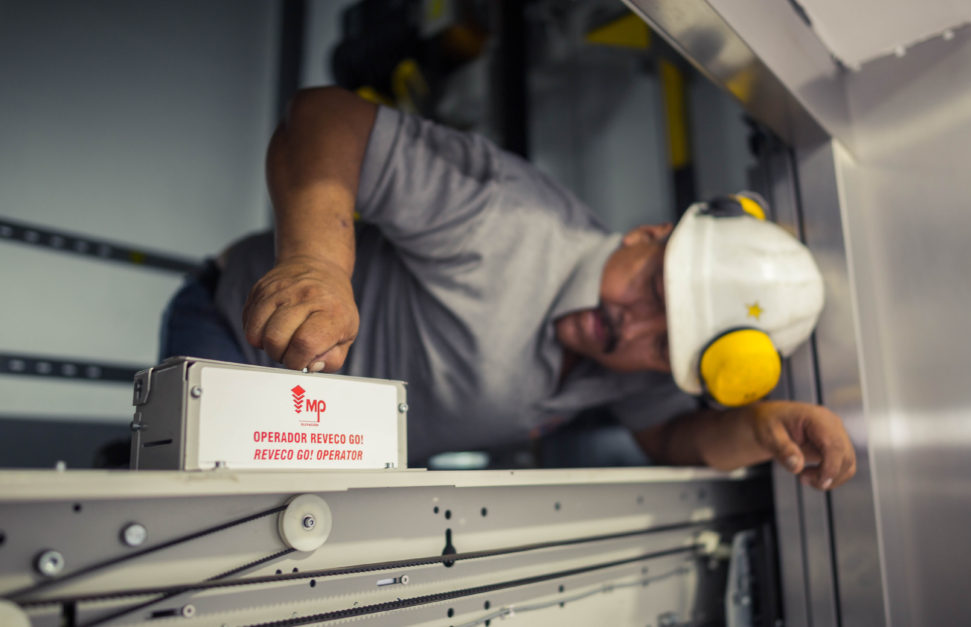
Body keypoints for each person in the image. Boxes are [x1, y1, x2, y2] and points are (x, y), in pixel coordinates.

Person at [161, 86, 855, 490]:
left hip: (325, 446)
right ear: (649, 234)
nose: (632, 330)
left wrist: (762, 429)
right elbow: (321, 118)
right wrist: (317, 263)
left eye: (667, 342)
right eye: (653, 292)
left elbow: (671, 438)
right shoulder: (503, 216)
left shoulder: (643, 367)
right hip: (236, 334)